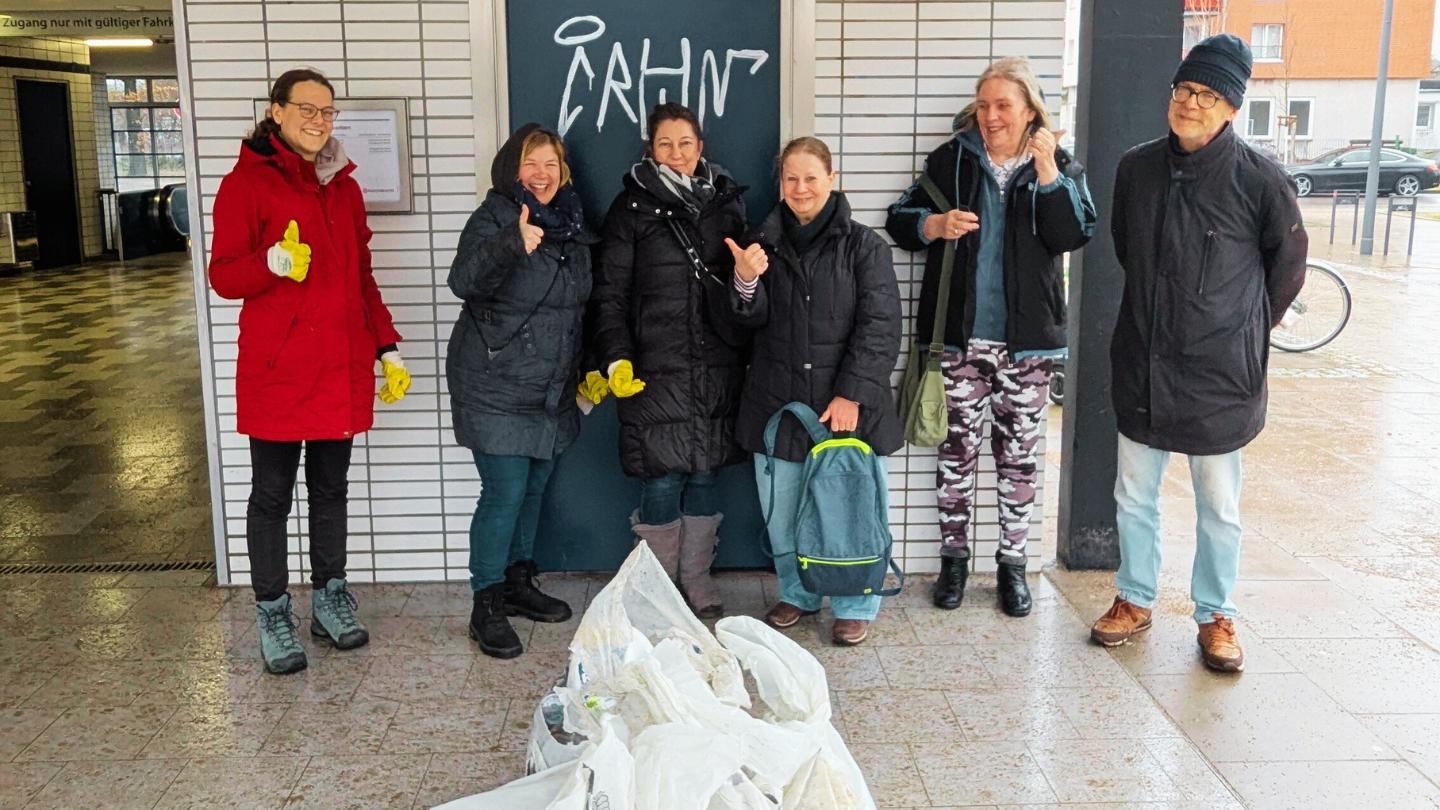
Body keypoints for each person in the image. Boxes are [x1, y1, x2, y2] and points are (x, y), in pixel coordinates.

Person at [1090, 34, 1307, 673]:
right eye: (1184, 90)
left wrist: (1243, 326)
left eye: (1207, 96)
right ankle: (1133, 598)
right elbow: (1128, 250)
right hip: (1144, 358)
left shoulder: (1260, 179)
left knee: (1218, 502)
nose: (1190, 103)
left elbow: (1288, 266)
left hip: (1221, 372)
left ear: (1232, 109)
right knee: (1134, 492)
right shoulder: (1136, 169)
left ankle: (1215, 612)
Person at [209, 68, 410, 675]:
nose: (319, 121)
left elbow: (360, 278)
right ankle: (273, 611)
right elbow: (224, 277)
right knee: (271, 496)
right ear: (276, 112)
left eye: (328, 112)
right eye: (307, 109)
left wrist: (386, 346)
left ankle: (330, 600)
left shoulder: (343, 189)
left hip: (339, 365)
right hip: (278, 370)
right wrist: (270, 262)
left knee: (331, 490)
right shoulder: (245, 185)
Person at [885, 57, 1095, 617]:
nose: (991, 116)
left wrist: (1048, 173)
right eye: (984, 105)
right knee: (955, 454)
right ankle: (954, 562)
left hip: (1028, 347)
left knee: (1019, 460)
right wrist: (934, 225)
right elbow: (899, 218)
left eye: (1004, 105)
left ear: (1030, 111)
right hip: (959, 341)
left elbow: (1072, 234)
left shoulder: (1060, 166)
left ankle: (1012, 567)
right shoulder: (952, 159)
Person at [726, 136, 903, 646]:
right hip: (776, 405)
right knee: (782, 516)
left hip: (843, 409)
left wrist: (853, 394)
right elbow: (742, 324)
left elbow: (881, 325)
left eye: (810, 177)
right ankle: (798, 593)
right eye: (790, 178)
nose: (800, 188)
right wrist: (744, 282)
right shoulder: (760, 243)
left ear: (832, 178)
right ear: (780, 184)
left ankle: (855, 601)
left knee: (850, 513)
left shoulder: (864, 246)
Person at [588, 102, 750, 618]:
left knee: (705, 473)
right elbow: (609, 295)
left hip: (716, 366)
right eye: (665, 144)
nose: (676, 154)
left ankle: (696, 579)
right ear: (649, 150)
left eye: (685, 143)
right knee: (661, 477)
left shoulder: (726, 203)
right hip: (653, 370)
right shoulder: (629, 210)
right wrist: (616, 358)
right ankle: (658, 590)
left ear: (701, 147)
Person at [447, 123, 597, 659]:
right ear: (513, 169)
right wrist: (511, 241)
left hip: (549, 389)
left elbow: (582, 308)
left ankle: (517, 582)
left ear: (564, 173)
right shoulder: (493, 217)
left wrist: (594, 370)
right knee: (504, 492)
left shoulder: (575, 227)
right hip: (493, 383)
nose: (541, 174)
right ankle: (485, 602)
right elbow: (463, 281)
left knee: (533, 489)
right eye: (531, 163)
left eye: (551, 164)